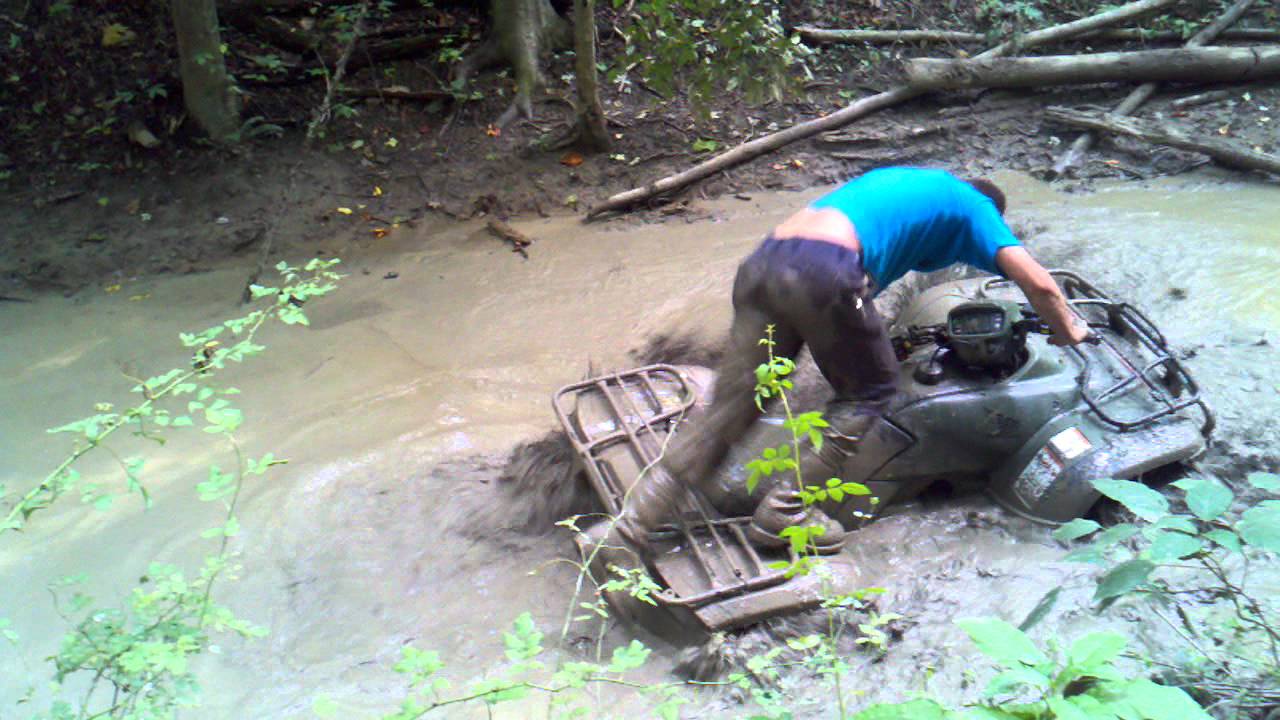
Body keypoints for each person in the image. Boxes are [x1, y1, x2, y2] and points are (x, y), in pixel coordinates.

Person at [588, 167, 1091, 566]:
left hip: (764, 265)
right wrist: (1068, 328)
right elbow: (1040, 285)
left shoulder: (917, 184)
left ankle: (624, 532)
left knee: (734, 408)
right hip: (824, 272)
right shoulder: (977, 208)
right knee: (871, 393)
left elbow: (852, 287)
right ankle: (785, 513)